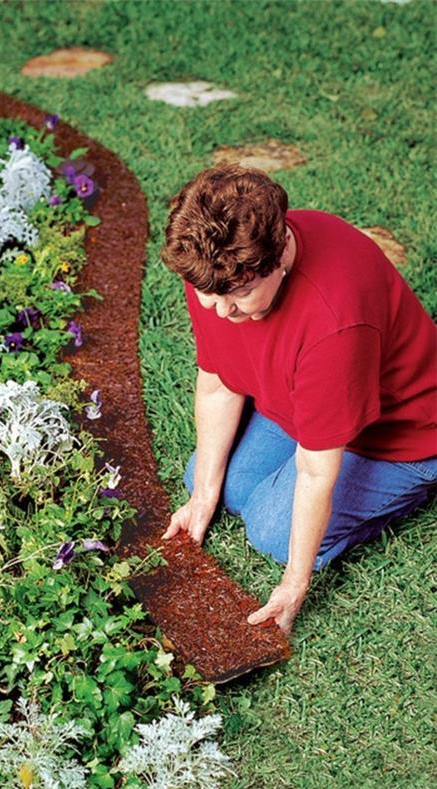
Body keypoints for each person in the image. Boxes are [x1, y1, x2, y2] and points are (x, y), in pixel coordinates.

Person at [160, 164, 437, 635]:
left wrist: (294, 583)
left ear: (279, 257)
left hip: (398, 434)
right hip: (297, 401)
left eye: (241, 295)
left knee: (272, 531)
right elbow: (218, 382)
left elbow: (315, 471)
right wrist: (202, 497)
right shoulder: (215, 269)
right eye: (210, 296)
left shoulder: (334, 323)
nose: (222, 312)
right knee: (214, 482)